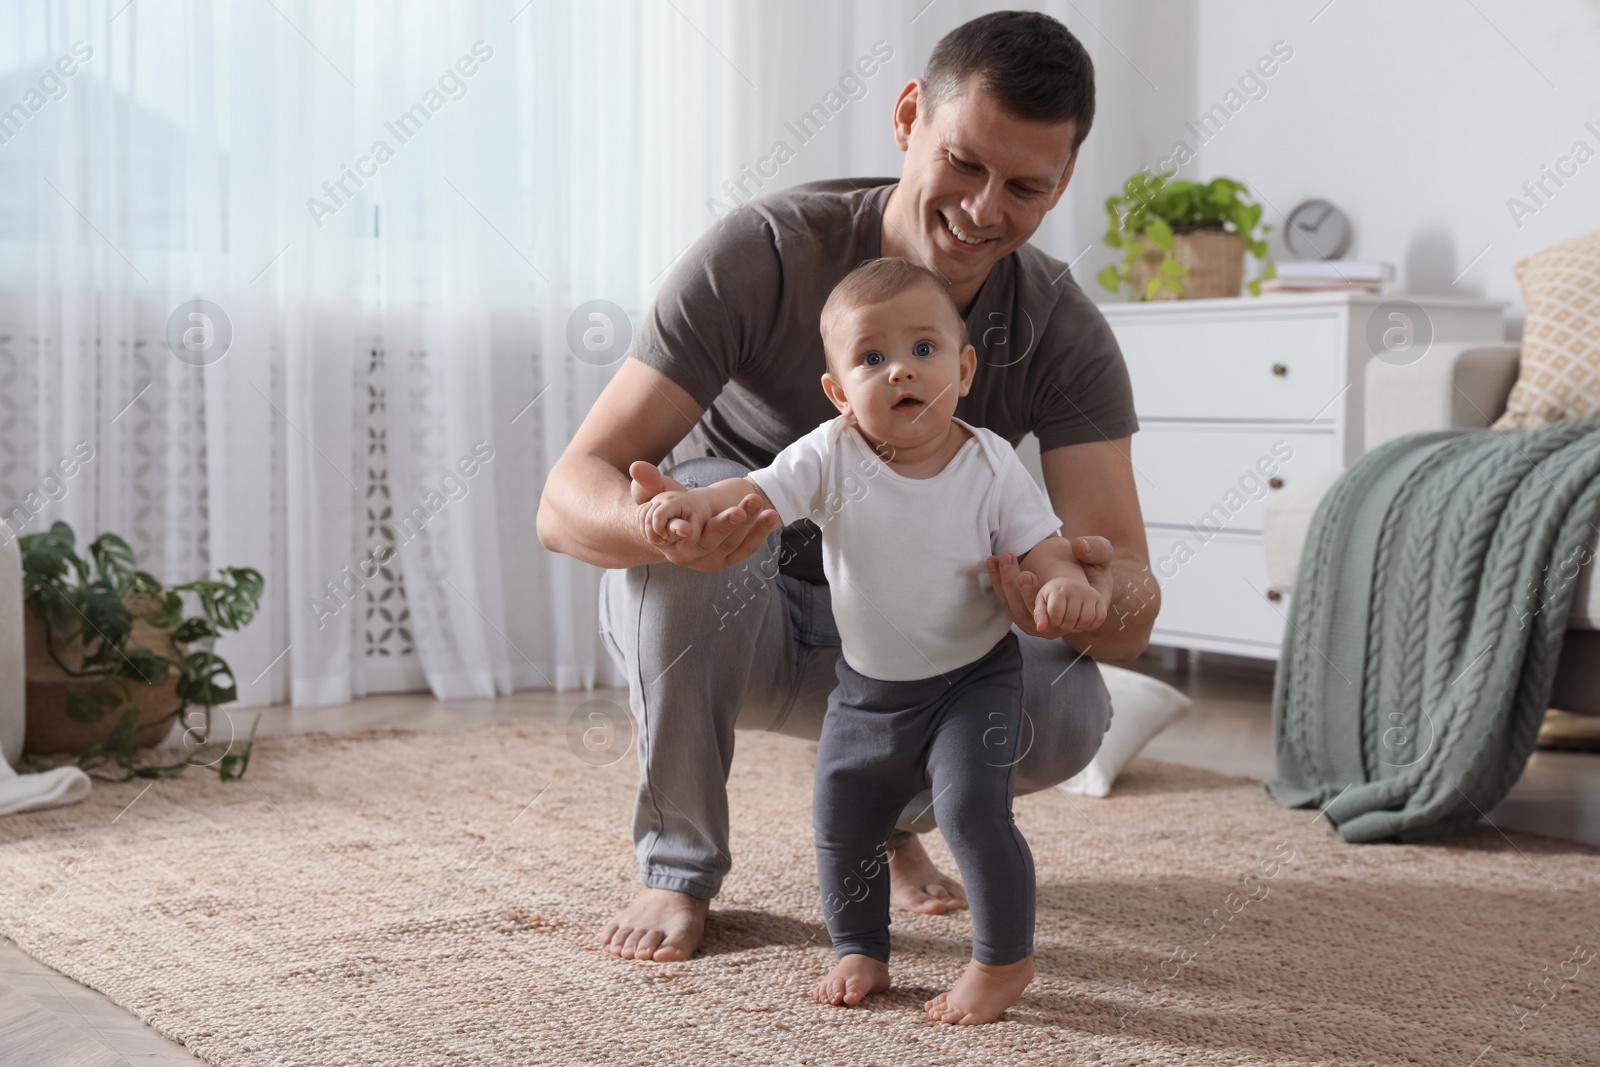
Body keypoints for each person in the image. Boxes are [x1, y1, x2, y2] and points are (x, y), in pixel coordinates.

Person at [535, 10, 1158, 966]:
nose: (987, 209)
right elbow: (564, 498)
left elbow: (1132, 599)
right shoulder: (767, 252)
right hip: (743, 620)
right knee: (706, 496)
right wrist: (663, 528)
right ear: (909, 117)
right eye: (965, 164)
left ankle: (882, 815)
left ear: (1062, 182)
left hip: (921, 649)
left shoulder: (1062, 332)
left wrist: (1081, 596)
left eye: (1026, 186)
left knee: (1073, 703)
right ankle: (676, 867)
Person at [637, 257, 1107, 1024]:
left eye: (923, 350)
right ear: (839, 392)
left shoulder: (988, 462)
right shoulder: (831, 453)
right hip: (866, 690)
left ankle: (1003, 959)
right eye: (871, 358)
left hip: (972, 681)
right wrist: (692, 503)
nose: (900, 373)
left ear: (962, 366)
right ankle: (860, 946)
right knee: (842, 816)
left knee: (969, 811)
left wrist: (1065, 584)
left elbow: (1044, 544)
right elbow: (753, 492)